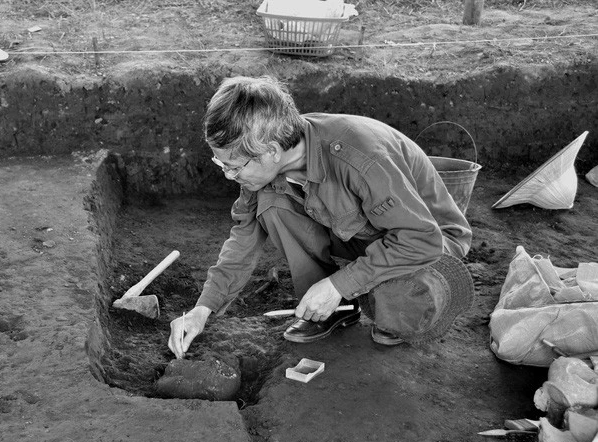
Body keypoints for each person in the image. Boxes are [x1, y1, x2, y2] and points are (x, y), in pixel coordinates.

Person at [168, 75, 474, 359]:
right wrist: (202, 309)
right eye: (221, 164)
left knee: (400, 303)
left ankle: (344, 294)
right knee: (271, 201)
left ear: (271, 151)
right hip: (364, 236)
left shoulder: (358, 158)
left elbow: (421, 238)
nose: (228, 175)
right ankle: (330, 309)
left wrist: (339, 285)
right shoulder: (264, 163)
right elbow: (243, 240)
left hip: (428, 241)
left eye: (234, 166)